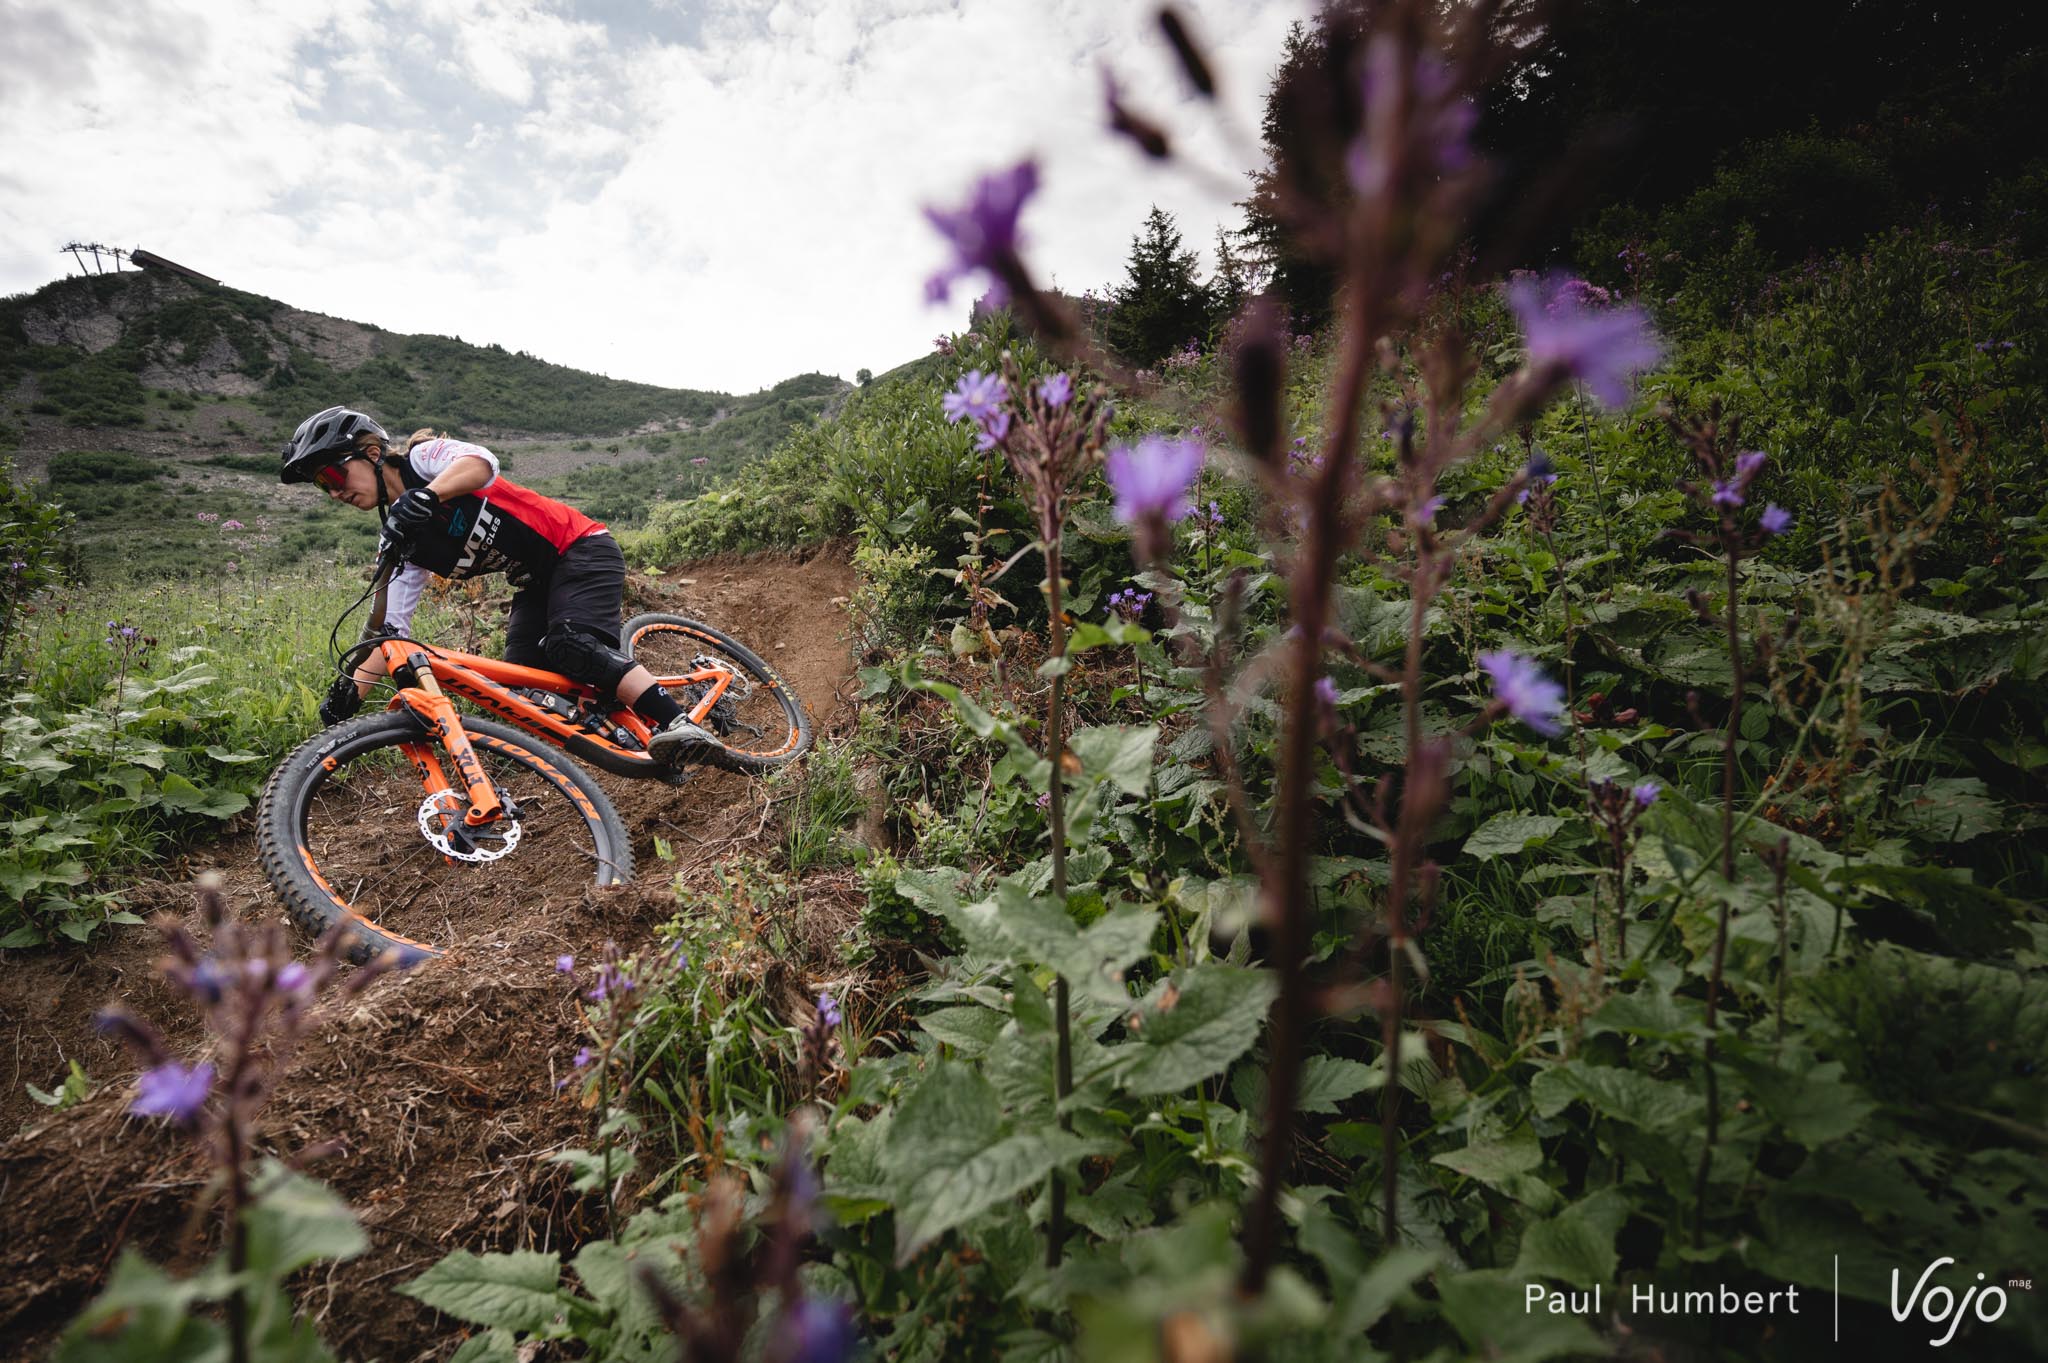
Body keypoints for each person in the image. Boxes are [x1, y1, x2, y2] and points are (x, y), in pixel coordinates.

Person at [278, 404, 721, 766]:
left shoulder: (423, 461)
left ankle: (680, 723)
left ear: (372, 453)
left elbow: (480, 463)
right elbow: (391, 632)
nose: (334, 493)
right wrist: (349, 694)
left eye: (334, 477)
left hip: (580, 546)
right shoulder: (400, 540)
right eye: (322, 486)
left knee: (571, 644)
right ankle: (622, 726)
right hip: (535, 581)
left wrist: (429, 495)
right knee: (522, 686)